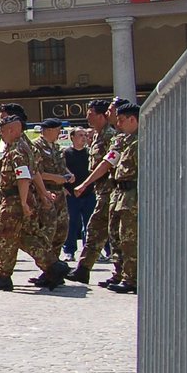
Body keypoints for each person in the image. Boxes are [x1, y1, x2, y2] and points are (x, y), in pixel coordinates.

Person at [0, 104, 54, 292]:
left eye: (2, 130)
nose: (0, 134)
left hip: (14, 200)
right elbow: (34, 172)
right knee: (19, 236)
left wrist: (23, 202)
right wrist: (43, 194)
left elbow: (23, 177)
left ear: (13, 130)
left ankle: (3, 276)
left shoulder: (17, 149)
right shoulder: (19, 147)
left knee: (6, 237)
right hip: (15, 199)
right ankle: (53, 266)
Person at [72, 101, 140, 293]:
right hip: (117, 194)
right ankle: (122, 274)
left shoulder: (137, 140)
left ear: (132, 119)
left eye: (119, 117)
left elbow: (109, 165)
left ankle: (131, 278)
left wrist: (85, 184)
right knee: (116, 234)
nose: (117, 121)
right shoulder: (123, 139)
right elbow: (108, 161)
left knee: (127, 237)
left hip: (130, 194)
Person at [74, 99, 120, 286]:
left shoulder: (110, 136)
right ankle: (83, 270)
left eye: (91, 113)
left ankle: (121, 273)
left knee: (108, 231)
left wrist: (84, 184)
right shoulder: (98, 136)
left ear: (101, 116)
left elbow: (107, 164)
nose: (87, 116)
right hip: (102, 191)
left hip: (110, 191)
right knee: (98, 230)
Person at [28, 118, 73, 288]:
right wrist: (56, 178)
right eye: (57, 130)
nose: (60, 133)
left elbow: (61, 167)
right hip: (45, 193)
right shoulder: (36, 146)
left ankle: (54, 268)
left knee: (61, 231)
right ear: (48, 130)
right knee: (47, 231)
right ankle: (48, 270)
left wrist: (68, 175)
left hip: (60, 193)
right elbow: (35, 172)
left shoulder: (57, 147)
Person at [62, 127, 94, 262]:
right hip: (72, 194)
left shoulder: (90, 153)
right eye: (80, 135)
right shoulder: (65, 154)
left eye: (85, 135)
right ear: (72, 137)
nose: (83, 137)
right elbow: (59, 170)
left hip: (89, 193)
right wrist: (63, 188)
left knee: (90, 224)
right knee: (72, 222)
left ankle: (90, 252)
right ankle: (69, 251)